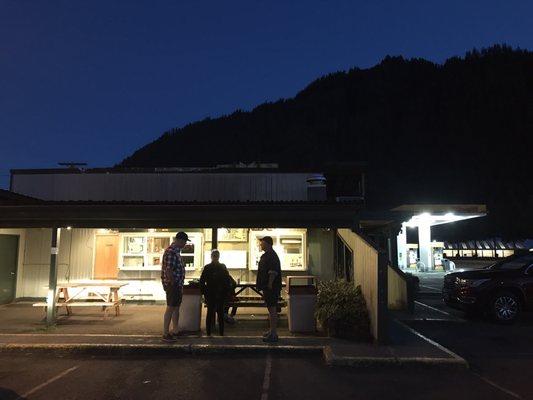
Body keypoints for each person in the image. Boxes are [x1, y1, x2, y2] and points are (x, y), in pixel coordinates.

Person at [161, 231, 188, 342]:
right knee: (171, 307)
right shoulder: (171, 252)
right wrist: (173, 283)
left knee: (176, 307)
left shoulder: (175, 252)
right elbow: (168, 270)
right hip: (173, 284)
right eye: (184, 241)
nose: (185, 244)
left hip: (177, 284)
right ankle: (166, 333)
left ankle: (175, 330)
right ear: (179, 240)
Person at [256, 236, 282, 343]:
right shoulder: (268, 255)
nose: (260, 245)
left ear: (267, 243)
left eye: (262, 243)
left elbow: (272, 272)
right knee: (271, 309)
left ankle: (274, 334)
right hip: (268, 287)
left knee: (272, 310)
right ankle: (272, 331)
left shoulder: (271, 256)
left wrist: (269, 285)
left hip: (270, 288)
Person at [200, 249, 231, 336]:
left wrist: (204, 292)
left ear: (211, 257)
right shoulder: (222, 267)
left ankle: (209, 332)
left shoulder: (207, 267)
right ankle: (221, 332)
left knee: (210, 313)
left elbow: (202, 281)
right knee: (220, 313)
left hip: (210, 292)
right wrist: (226, 292)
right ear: (218, 257)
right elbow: (227, 280)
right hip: (220, 293)